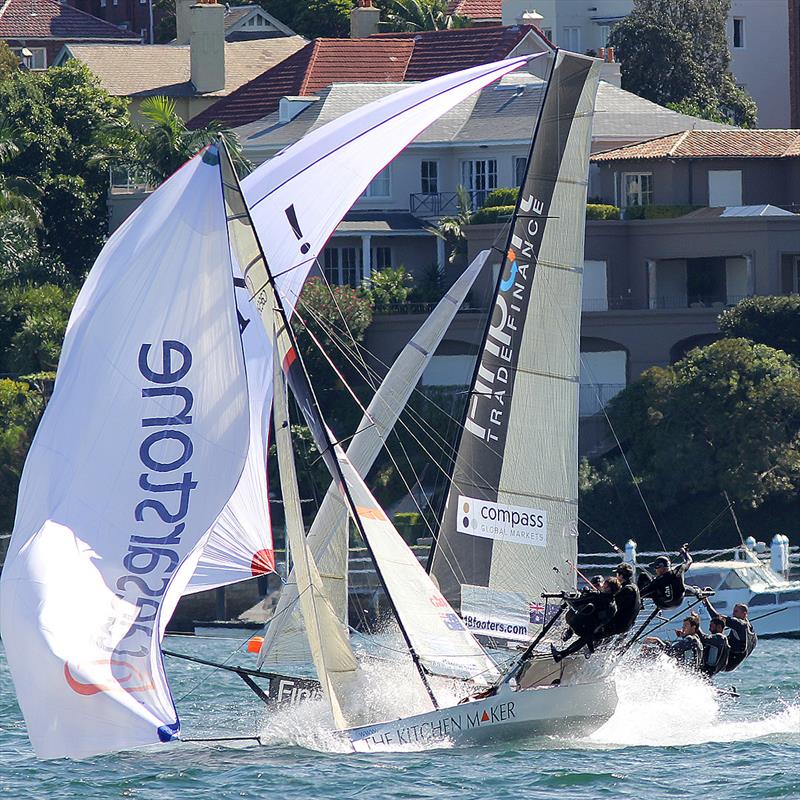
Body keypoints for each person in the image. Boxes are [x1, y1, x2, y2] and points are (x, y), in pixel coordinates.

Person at [551, 577, 620, 662]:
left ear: (607, 588)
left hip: (580, 627)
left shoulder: (597, 596)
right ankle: (563, 654)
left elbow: (575, 603)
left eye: (604, 585)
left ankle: (567, 639)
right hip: (593, 631)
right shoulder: (613, 605)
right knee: (587, 636)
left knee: (573, 615)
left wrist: (566, 596)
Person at [637, 544, 700, 609]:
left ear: (661, 567)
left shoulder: (657, 581)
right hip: (678, 603)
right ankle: (697, 591)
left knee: (643, 575)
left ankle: (640, 604)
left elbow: (640, 594)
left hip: (663, 605)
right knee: (682, 586)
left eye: (656, 568)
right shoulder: (679, 570)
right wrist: (684, 553)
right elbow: (689, 561)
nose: (655, 570)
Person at [702, 597, 757, 671]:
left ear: (744, 614)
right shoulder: (751, 630)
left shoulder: (739, 624)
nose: (733, 614)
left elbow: (717, 618)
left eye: (736, 611)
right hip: (731, 664)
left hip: (726, 662)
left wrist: (706, 602)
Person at [599, 562, 641, 637]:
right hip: (628, 624)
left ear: (621, 576)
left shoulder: (626, 590)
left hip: (618, 625)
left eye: (617, 574)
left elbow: (611, 603)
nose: (616, 576)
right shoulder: (634, 587)